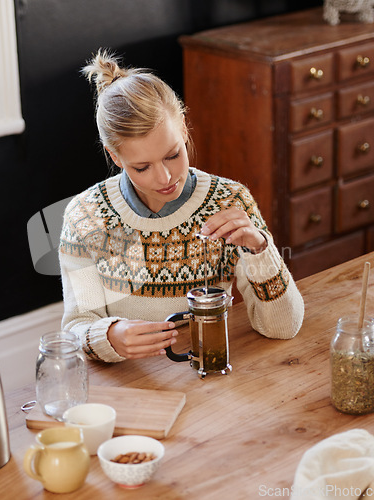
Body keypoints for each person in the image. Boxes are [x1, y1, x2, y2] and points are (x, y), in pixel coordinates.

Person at [59, 48, 304, 363]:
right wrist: (108, 336)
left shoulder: (229, 200)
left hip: (210, 374)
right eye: (142, 167)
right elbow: (77, 325)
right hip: (132, 385)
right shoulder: (86, 216)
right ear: (115, 156)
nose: (164, 177)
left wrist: (259, 249)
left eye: (173, 154)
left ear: (185, 128)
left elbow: (284, 327)